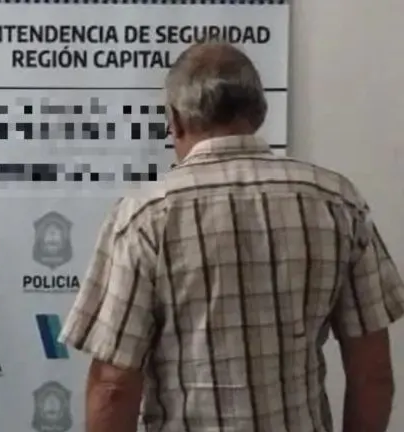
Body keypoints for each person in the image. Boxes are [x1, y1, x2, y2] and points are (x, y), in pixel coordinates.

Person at [59, 42, 404, 432]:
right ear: (259, 113)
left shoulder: (145, 217)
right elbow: (372, 374)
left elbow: (113, 387)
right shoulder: (337, 201)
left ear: (175, 120)